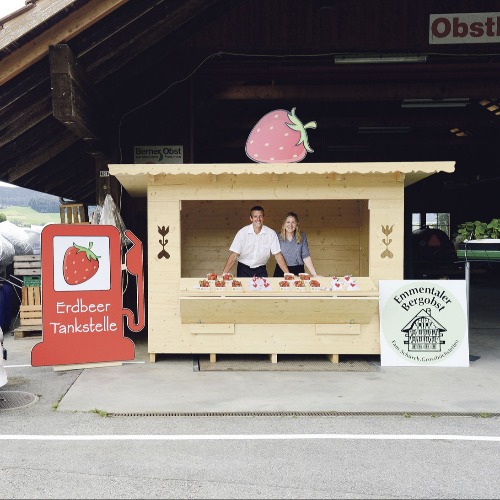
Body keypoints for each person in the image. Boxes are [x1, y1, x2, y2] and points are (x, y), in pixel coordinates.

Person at [222, 206, 290, 278]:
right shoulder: (242, 233)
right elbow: (234, 255)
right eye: (255, 216)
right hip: (243, 269)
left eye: (260, 216)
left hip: (261, 269)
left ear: (263, 218)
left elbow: (278, 255)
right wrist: (223, 274)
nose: (258, 219)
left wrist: (288, 274)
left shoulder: (271, 233)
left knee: (264, 289)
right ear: (251, 218)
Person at [273, 211, 319, 278]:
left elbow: (305, 256)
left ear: (296, 224)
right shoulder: (277, 237)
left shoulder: (302, 236)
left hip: (298, 270)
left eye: (293, 222)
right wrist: (288, 273)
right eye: (288, 222)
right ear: (284, 224)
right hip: (281, 270)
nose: (290, 225)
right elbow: (277, 256)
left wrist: (314, 274)